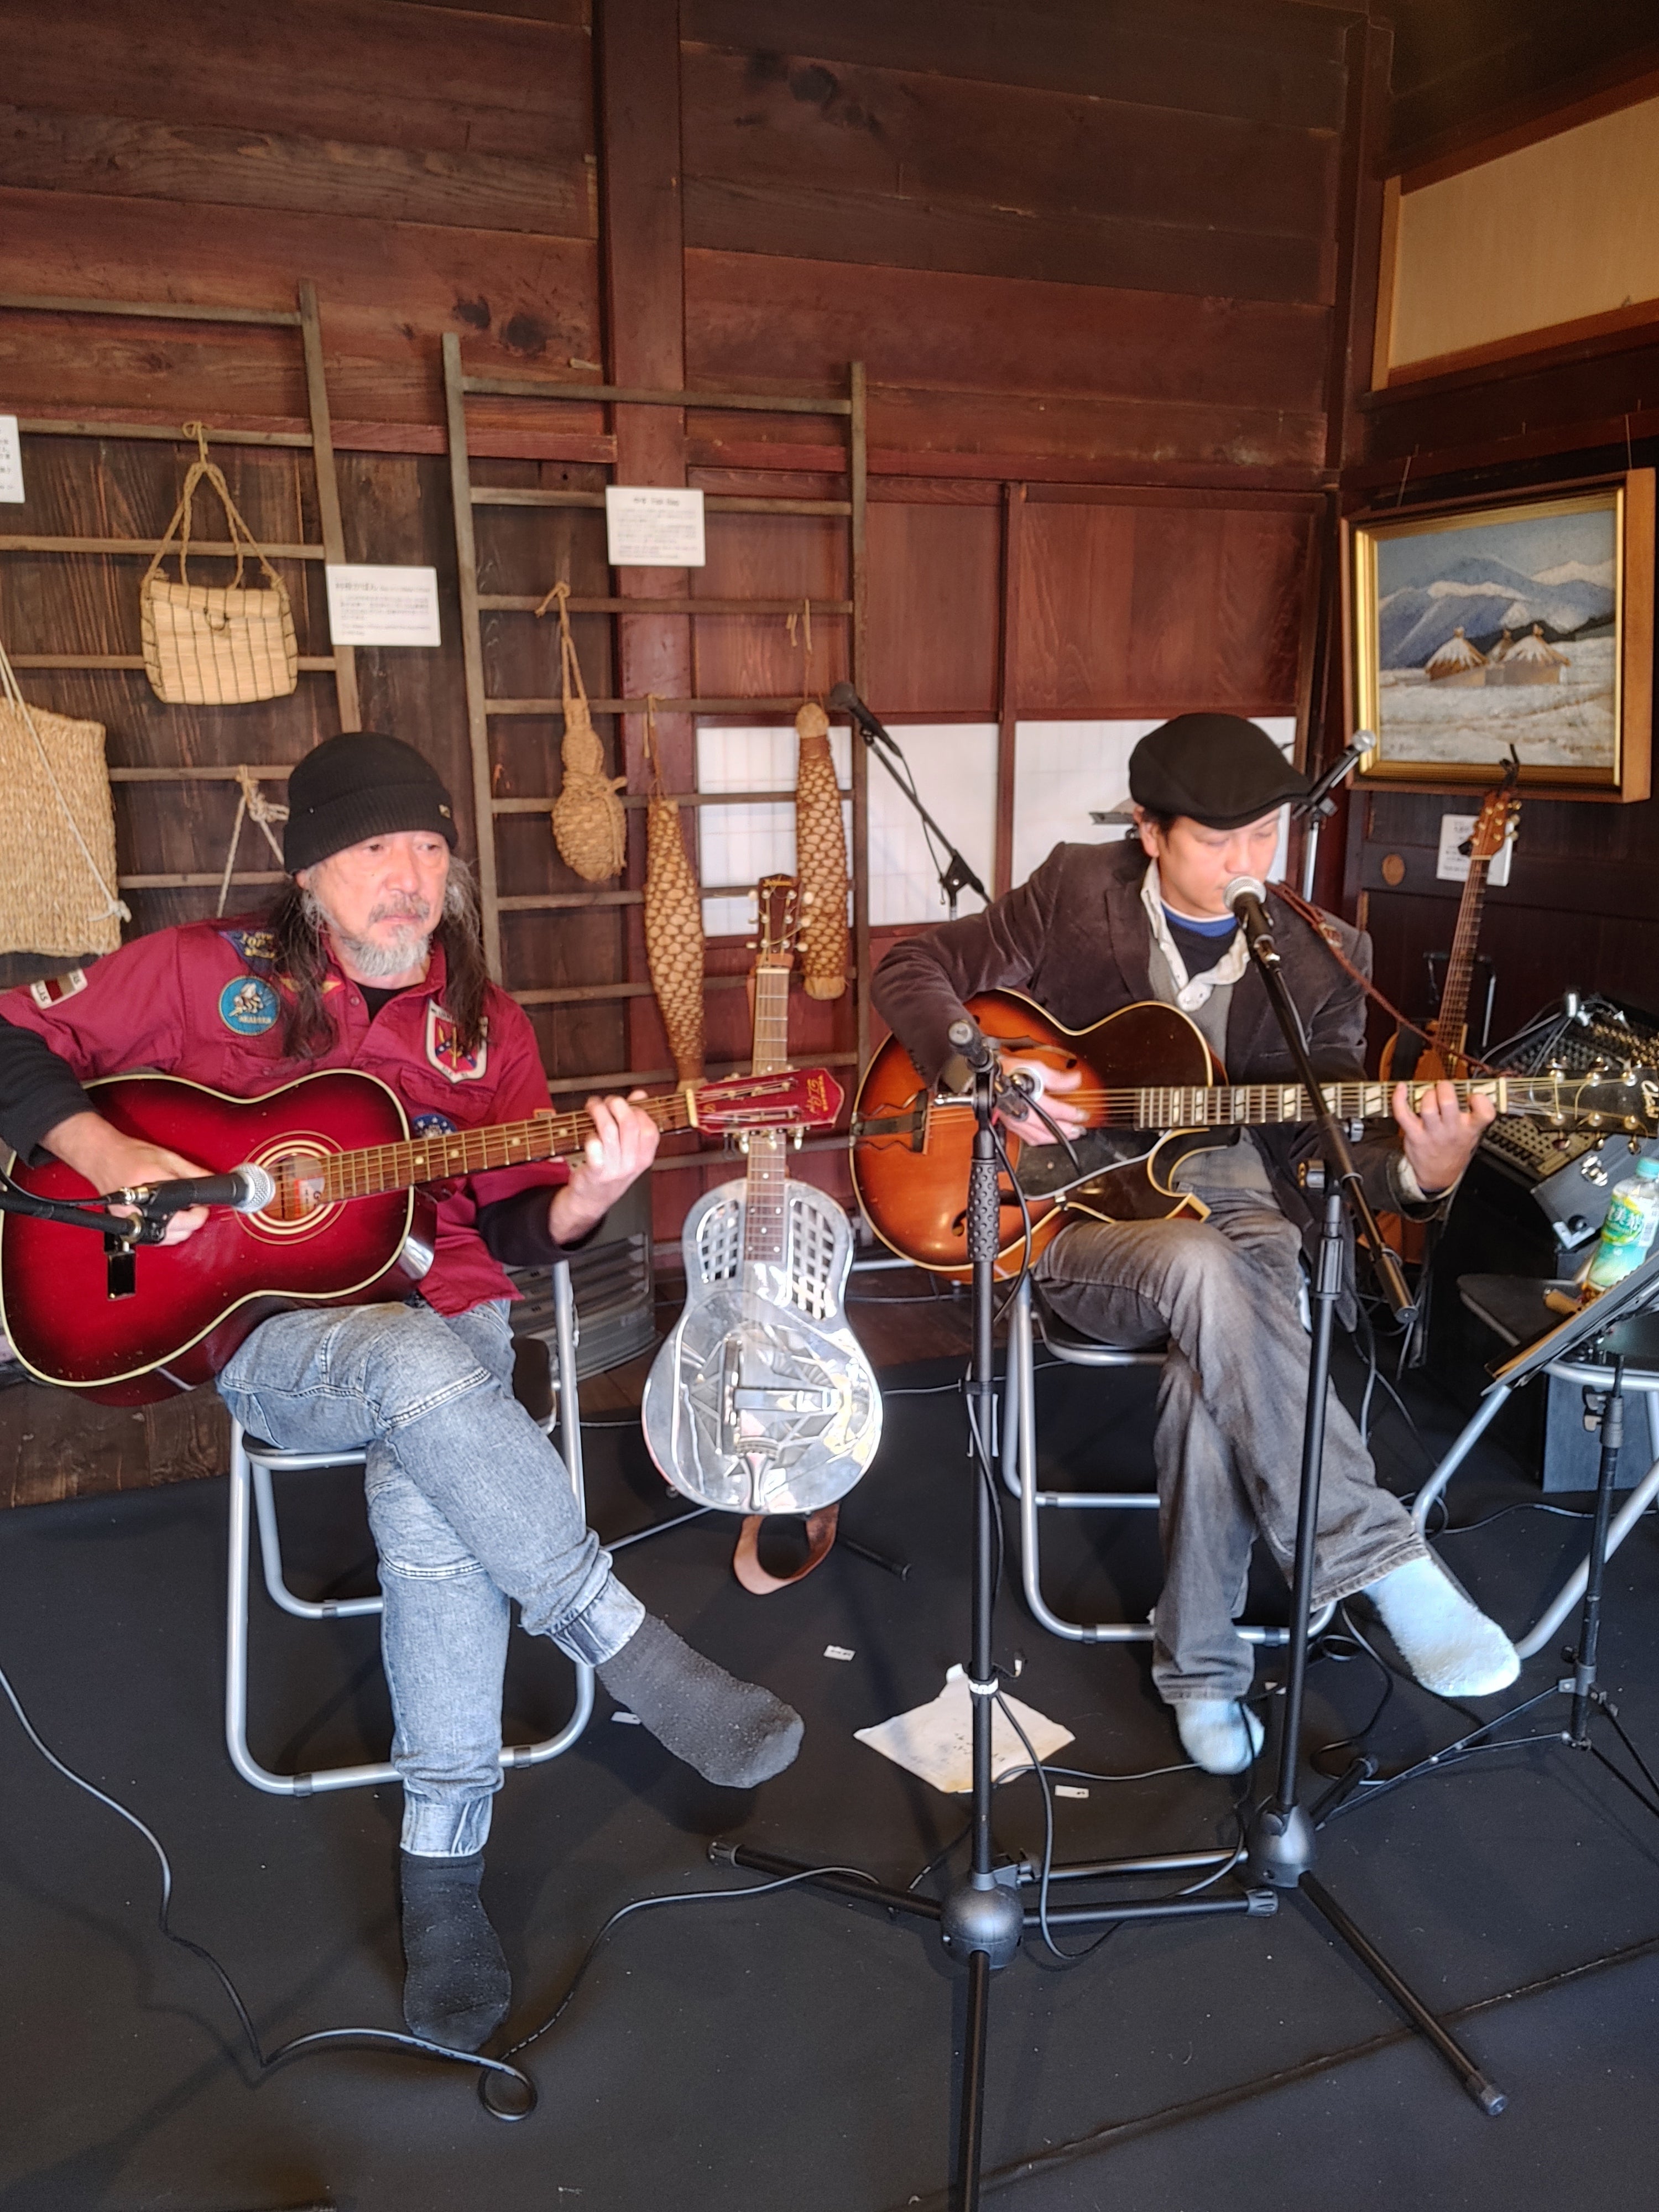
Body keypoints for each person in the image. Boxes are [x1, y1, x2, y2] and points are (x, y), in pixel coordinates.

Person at [0, 730, 802, 2051]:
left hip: (452, 1309)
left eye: (430, 845)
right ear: (310, 872)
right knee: (410, 1372)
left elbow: (527, 1228)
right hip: (266, 1339)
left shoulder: (486, 1028)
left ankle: (442, 1870)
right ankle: (629, 1650)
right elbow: (11, 1032)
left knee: (431, 1471)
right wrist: (105, 1146)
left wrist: (592, 1192)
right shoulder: (202, 972)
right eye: (376, 847)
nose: (411, 875)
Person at [872, 712, 1520, 1776]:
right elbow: (915, 964)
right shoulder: (1075, 888)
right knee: (1201, 1272)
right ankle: (1376, 1555)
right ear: (1149, 831)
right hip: (1079, 1215)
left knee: (1206, 1370)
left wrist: (1425, 1174)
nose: (1248, 861)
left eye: (1266, 835)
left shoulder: (1325, 954)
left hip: (1243, 1211)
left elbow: (1322, 1147)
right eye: (1219, 841)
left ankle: (1204, 1672)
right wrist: (983, 1065)